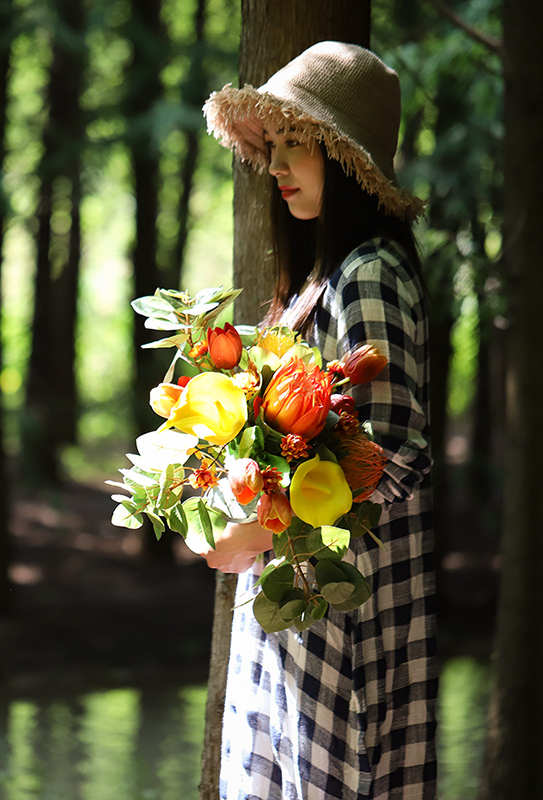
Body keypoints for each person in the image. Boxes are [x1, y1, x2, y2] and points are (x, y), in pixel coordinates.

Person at [201, 42, 437, 799]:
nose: (277, 165)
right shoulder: (319, 280)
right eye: (273, 145)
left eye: (299, 143)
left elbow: (392, 455)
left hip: (351, 615)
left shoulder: (369, 273)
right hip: (304, 610)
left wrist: (269, 529)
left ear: (348, 158)